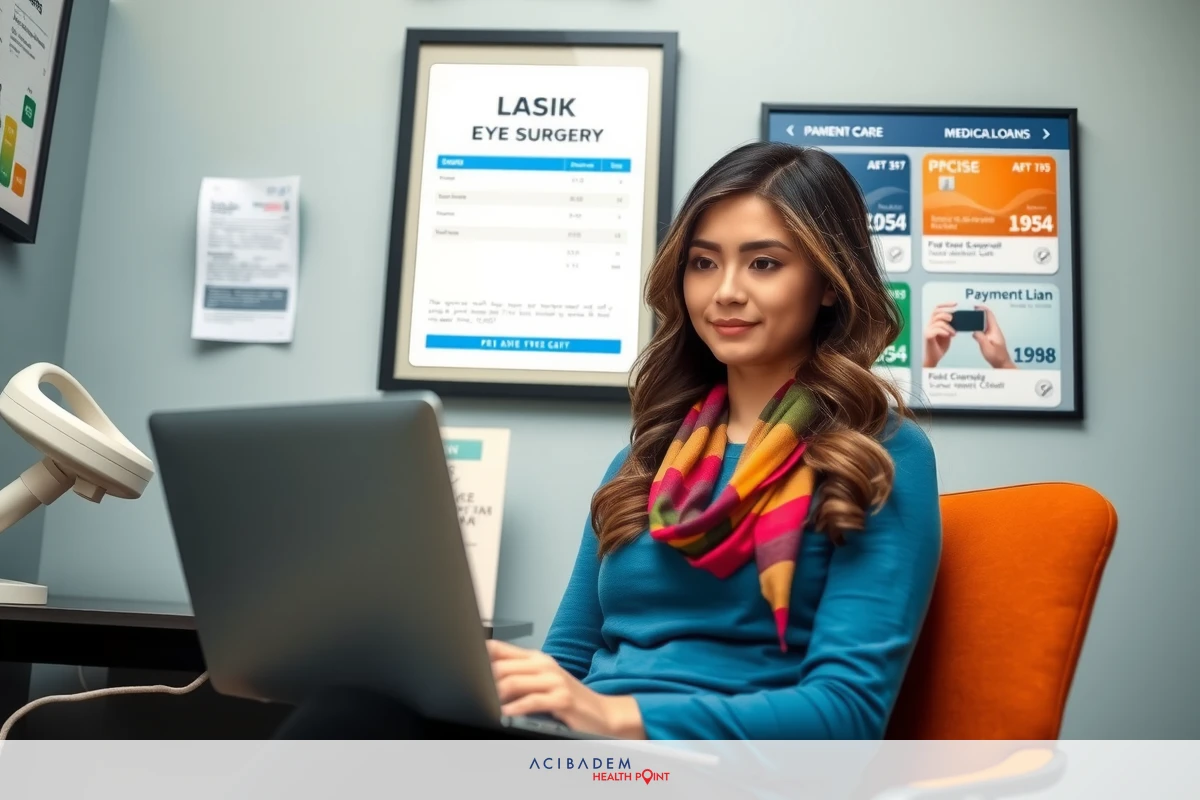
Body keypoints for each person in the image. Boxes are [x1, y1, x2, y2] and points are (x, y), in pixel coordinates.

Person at [273, 141, 942, 741]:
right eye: (704, 264)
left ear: (828, 283)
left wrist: (618, 717)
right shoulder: (645, 460)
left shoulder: (878, 455)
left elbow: (846, 714)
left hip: (710, 771)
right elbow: (568, 660)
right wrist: (496, 694)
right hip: (583, 758)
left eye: (764, 264)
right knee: (352, 712)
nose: (726, 292)